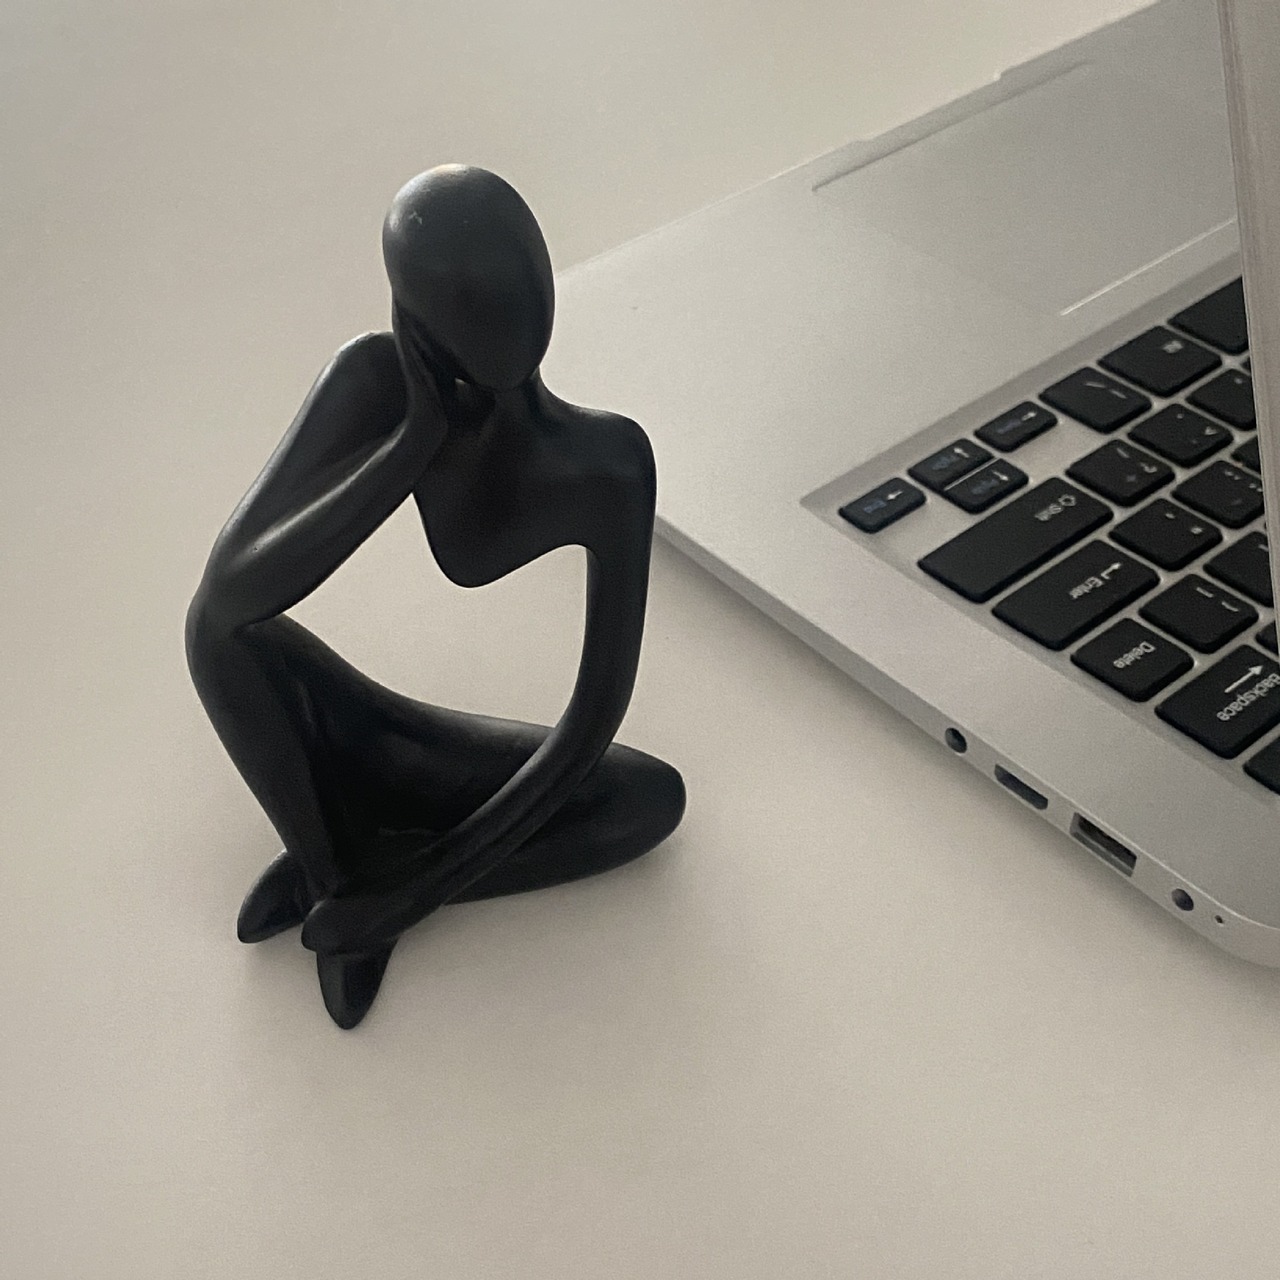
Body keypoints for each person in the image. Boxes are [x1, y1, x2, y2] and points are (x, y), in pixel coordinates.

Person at [185, 166, 686, 1028]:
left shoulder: (605, 463)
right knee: (211, 638)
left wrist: (422, 887)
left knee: (647, 802)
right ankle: (338, 869)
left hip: (415, 756)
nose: (509, 333)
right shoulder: (372, 387)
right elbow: (230, 600)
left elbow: (593, 718)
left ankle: (356, 871)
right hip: (355, 728)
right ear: (413, 319)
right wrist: (410, 444)